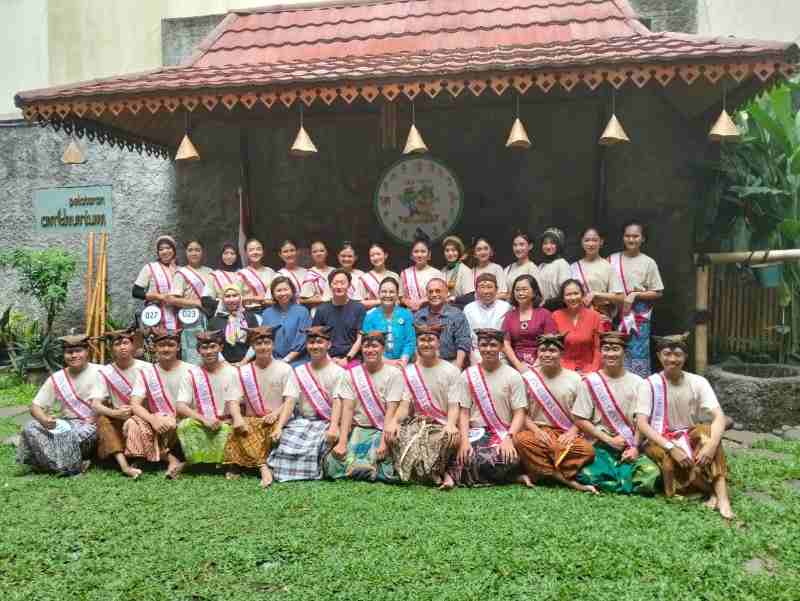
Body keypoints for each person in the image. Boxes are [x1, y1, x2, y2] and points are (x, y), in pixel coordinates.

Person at [636, 333, 733, 519]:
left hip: (687, 433)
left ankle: (723, 498)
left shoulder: (698, 382)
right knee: (671, 462)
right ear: (659, 356)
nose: (672, 359)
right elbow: (642, 424)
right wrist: (672, 447)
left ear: (685, 357)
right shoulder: (649, 385)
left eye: (678, 354)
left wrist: (712, 446)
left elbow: (719, 416)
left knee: (708, 433)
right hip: (659, 438)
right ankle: (709, 491)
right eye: (667, 354)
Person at [572, 331, 660, 494]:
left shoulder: (639, 383)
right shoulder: (590, 382)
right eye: (606, 349)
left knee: (651, 474)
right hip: (600, 443)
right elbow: (579, 419)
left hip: (630, 443)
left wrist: (634, 447)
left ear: (624, 353)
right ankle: (619, 480)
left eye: (615, 349)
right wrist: (609, 440)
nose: (610, 353)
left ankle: (618, 480)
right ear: (601, 352)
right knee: (587, 473)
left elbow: (642, 421)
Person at [513, 334, 597, 493]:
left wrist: (572, 432)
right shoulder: (527, 378)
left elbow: (584, 414)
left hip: (566, 433)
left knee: (587, 451)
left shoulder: (575, 379)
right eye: (542, 350)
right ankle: (568, 480)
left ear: (561, 353)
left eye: (552, 350)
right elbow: (521, 412)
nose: (547, 354)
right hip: (537, 432)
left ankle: (539, 471)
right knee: (520, 440)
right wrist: (536, 431)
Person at [267, 326, 345, 482]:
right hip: (302, 421)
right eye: (311, 342)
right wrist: (279, 426)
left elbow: (338, 401)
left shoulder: (339, 372)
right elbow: (290, 400)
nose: (315, 346)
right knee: (285, 443)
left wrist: (334, 426)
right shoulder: (299, 371)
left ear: (328, 345)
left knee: (315, 446)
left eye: (319, 342)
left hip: (326, 422)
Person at [454, 329, 529, 486]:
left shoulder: (513, 376)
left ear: (502, 347)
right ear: (478, 347)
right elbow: (464, 412)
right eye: (484, 345)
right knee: (464, 457)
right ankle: (510, 477)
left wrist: (509, 438)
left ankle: (510, 474)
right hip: (478, 432)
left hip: (505, 432)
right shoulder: (467, 375)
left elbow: (520, 412)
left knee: (507, 458)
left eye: (493, 345)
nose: (488, 349)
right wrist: (464, 441)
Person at [325, 332, 404, 482]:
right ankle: (364, 469)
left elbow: (391, 409)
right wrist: (342, 442)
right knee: (332, 465)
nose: (370, 350)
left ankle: (362, 469)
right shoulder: (351, 374)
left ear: (383, 348)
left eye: (375, 346)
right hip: (358, 427)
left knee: (387, 465)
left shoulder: (394, 374)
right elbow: (347, 409)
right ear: (361, 349)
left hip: (382, 429)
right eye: (366, 346)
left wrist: (383, 443)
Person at [17, 335, 100, 475]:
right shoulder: (57, 378)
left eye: (78, 351)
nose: (73, 355)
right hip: (64, 423)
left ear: (87, 351)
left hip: (90, 425)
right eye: (69, 352)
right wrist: (44, 419)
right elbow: (35, 406)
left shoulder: (102, 372)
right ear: (64, 354)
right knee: (29, 427)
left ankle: (46, 464)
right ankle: (72, 465)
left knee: (67, 437)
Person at [393, 322, 461, 488]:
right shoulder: (409, 372)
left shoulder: (451, 371)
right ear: (417, 343)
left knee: (443, 439)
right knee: (400, 436)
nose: (427, 343)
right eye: (422, 340)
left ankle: (441, 473)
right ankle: (432, 473)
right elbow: (404, 405)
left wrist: (451, 424)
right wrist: (394, 422)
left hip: (443, 423)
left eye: (431, 339)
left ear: (438, 343)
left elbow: (454, 405)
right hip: (418, 423)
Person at [223, 326, 293, 488]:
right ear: (252, 347)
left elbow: (290, 400)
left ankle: (242, 463)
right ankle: (263, 467)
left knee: (269, 434)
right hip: (251, 419)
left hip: (277, 419)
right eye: (258, 343)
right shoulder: (244, 371)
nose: (263, 347)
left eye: (267, 342)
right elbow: (233, 400)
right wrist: (238, 418)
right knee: (243, 428)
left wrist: (277, 416)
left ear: (273, 345)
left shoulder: (285, 369)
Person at [126, 328, 188, 479]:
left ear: (178, 347)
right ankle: (163, 458)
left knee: (176, 425)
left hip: (181, 419)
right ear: (154, 347)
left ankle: (161, 458)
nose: (166, 349)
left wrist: (171, 418)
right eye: (161, 345)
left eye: (171, 345)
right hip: (157, 419)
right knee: (131, 423)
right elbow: (135, 404)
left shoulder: (190, 370)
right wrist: (153, 419)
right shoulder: (147, 372)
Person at [175, 331, 238, 467]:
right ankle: (196, 462)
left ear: (221, 348)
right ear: (198, 350)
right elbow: (180, 406)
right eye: (204, 347)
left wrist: (229, 420)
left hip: (226, 421)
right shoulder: (191, 374)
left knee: (231, 430)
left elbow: (239, 402)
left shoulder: (232, 372)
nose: (209, 351)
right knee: (185, 426)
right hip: (203, 422)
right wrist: (204, 420)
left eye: (213, 346)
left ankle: (229, 464)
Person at [92, 329, 149, 479]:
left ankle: (141, 458)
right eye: (117, 344)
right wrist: (114, 413)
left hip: (142, 415)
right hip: (119, 416)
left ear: (133, 346)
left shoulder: (146, 368)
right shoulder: (105, 372)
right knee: (103, 420)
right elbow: (96, 404)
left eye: (125, 343)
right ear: (112, 349)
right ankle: (124, 466)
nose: (122, 347)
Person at [610, 220, 664, 377]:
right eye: (628, 236)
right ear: (623, 237)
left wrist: (635, 295)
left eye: (635, 236)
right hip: (615, 314)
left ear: (643, 238)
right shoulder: (611, 259)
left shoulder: (648, 262)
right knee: (613, 351)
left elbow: (658, 292)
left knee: (637, 355)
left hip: (639, 317)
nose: (631, 239)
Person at [169, 239, 213, 364]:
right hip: (190, 319)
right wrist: (197, 303)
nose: (194, 253)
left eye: (197, 250)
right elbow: (173, 299)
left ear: (203, 252)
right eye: (190, 250)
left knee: (209, 351)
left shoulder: (210, 272)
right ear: (186, 253)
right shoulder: (181, 273)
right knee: (192, 353)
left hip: (209, 317)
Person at [503, 274, 557, 371]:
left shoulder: (545, 314)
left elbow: (550, 341)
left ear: (534, 292)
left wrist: (537, 364)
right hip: (516, 364)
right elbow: (505, 343)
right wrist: (518, 365)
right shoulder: (509, 316)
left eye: (524, 289)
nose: (520, 293)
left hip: (542, 362)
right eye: (517, 290)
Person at [312, 269, 366, 367]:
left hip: (353, 358)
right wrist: (328, 358)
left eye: (343, 283)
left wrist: (347, 358)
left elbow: (360, 338)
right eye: (335, 283)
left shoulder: (359, 308)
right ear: (330, 285)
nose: (339, 286)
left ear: (349, 285)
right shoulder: (321, 310)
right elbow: (316, 338)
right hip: (327, 358)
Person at [415, 278, 472, 369]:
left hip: (450, 362)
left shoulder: (457, 314)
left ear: (446, 293)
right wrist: (418, 366)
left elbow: (463, 342)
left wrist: (457, 367)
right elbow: (415, 343)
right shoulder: (419, 315)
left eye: (438, 291)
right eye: (431, 292)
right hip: (424, 363)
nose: (434, 294)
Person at [570, 226, 619, 329]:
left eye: (594, 240)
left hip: (601, 318)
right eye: (587, 240)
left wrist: (595, 294)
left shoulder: (608, 267)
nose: (591, 244)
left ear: (601, 242)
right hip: (578, 318)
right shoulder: (573, 267)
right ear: (582, 242)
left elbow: (620, 297)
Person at [362, 277, 415, 367]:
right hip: (377, 363)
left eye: (391, 292)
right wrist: (388, 362)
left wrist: (403, 360)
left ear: (397, 295)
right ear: (379, 294)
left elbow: (410, 342)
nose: (387, 295)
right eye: (384, 291)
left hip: (404, 363)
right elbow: (368, 346)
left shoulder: (406, 314)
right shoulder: (370, 316)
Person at [552, 279, 603, 374]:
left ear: (582, 295)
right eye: (568, 294)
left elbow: (598, 348)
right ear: (563, 298)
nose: (573, 298)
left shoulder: (595, 316)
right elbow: (553, 348)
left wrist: (592, 371)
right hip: (563, 371)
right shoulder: (556, 316)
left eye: (576, 293)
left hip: (589, 370)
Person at [260, 276, 312, 366]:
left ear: (292, 291)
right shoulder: (267, 313)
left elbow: (303, 340)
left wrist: (286, 360)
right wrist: (273, 360)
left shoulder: (302, 311)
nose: (283, 293)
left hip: (299, 361)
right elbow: (265, 339)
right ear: (273, 294)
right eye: (279, 290)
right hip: (273, 360)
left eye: (286, 289)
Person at [132, 234, 178, 330]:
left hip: (178, 315)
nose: (165, 251)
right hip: (156, 316)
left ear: (174, 250)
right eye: (161, 249)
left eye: (168, 248)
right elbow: (136, 292)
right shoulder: (150, 267)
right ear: (158, 252)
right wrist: (158, 296)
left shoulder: (181, 270)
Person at [463, 273, 511, 364]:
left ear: (496, 289)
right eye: (482, 287)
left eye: (489, 287)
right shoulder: (468, 309)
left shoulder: (506, 307)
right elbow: (466, 337)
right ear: (476, 290)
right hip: (476, 355)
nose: (486, 291)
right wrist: (473, 358)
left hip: (501, 355)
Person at [207, 284, 259, 365]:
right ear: (222, 299)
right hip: (222, 366)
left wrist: (244, 362)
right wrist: (225, 364)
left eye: (235, 295)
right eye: (227, 296)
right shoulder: (214, 321)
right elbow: (212, 346)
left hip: (248, 363)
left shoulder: (250, 317)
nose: (231, 300)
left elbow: (255, 342)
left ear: (240, 297)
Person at [400, 236, 444, 312]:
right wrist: (409, 303)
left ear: (429, 255)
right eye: (416, 251)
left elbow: (443, 295)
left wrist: (422, 301)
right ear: (411, 255)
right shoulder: (405, 273)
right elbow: (401, 297)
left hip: (432, 313)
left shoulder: (437, 274)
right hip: (411, 314)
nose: (419, 255)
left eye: (423, 251)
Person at [537, 227, 571, 310]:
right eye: (545, 243)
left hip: (559, 311)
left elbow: (566, 293)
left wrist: (547, 303)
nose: (548, 246)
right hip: (543, 311)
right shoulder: (541, 266)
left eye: (552, 243)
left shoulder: (562, 264)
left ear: (559, 245)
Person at [357, 243, 400, 309]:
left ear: (385, 255)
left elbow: (398, 300)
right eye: (372, 255)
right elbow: (360, 303)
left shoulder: (395, 276)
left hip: (393, 316)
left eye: (378, 254)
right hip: (371, 316)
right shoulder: (364, 278)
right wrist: (381, 301)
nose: (375, 257)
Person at [238, 238, 275, 311]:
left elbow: (276, 294)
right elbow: (236, 297)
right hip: (249, 313)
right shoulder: (241, 274)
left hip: (271, 311)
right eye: (251, 250)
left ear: (263, 252)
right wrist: (257, 298)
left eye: (258, 249)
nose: (255, 252)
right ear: (246, 253)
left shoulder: (271, 272)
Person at [276, 239, 315, 305]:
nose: (289, 254)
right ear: (280, 254)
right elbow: (270, 300)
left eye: (292, 250)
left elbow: (315, 296)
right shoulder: (278, 275)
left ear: (298, 251)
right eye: (285, 251)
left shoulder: (307, 272)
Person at [504, 232, 540, 299]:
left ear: (530, 246)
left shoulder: (532, 268)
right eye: (515, 245)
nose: (518, 248)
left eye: (521, 244)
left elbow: (537, 295)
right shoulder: (508, 268)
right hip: (507, 307)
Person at [441, 235, 474, 306]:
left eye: (454, 250)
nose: (450, 253)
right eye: (447, 250)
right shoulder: (443, 270)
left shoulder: (465, 270)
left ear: (459, 252)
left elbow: (470, 297)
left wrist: (453, 299)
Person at [303, 240, 335, 311]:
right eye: (315, 251)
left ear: (327, 252)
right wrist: (317, 299)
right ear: (311, 254)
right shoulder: (309, 273)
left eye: (321, 251)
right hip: (318, 312)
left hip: (336, 310)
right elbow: (302, 300)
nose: (318, 254)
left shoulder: (334, 271)